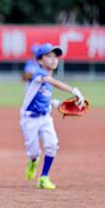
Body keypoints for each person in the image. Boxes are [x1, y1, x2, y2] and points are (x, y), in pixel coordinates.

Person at [20, 43, 85, 190]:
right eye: (48, 56)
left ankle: (43, 177)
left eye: (55, 56)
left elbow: (44, 97)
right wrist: (74, 90)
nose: (53, 59)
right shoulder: (39, 74)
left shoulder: (47, 78)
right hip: (29, 118)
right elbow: (52, 82)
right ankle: (33, 161)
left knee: (52, 145)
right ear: (40, 61)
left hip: (44, 117)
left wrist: (56, 104)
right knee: (34, 152)